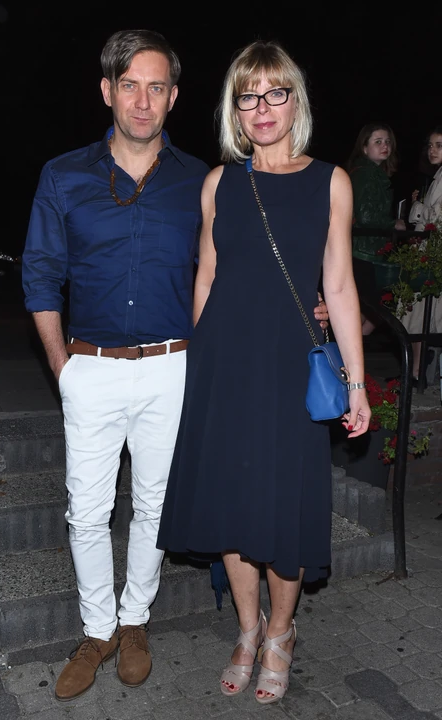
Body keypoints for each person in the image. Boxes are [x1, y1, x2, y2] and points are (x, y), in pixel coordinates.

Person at [21, 29, 329, 702]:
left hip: (173, 369)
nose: (142, 100)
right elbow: (40, 275)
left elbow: (243, 256)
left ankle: (135, 622)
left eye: (156, 87)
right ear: (107, 91)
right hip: (90, 367)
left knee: (154, 507)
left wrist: (308, 303)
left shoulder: (201, 180)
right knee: (86, 511)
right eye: (130, 85)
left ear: (174, 97)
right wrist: (61, 367)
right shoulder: (63, 175)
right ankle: (97, 630)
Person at [156, 39, 371, 706]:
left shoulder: (331, 181)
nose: (263, 106)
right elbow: (207, 275)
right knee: (230, 502)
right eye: (248, 96)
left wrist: (357, 383)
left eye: (276, 92)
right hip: (224, 364)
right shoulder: (219, 183)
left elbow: (339, 285)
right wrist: (196, 365)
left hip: (288, 368)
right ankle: (247, 631)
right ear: (236, 110)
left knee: (286, 508)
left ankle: (282, 633)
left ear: (295, 101)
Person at [346, 122, 406, 335]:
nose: (385, 146)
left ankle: (353, 354)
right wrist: (394, 223)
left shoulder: (369, 173)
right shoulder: (367, 174)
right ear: (364, 148)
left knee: (365, 314)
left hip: (363, 251)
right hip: (364, 252)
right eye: (378, 142)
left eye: (388, 142)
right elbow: (366, 217)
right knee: (374, 309)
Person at [402, 125, 442, 383]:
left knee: (420, 310)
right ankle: (417, 371)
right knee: (417, 311)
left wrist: (418, 207)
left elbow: (437, 218)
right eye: (430, 145)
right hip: (427, 253)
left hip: (432, 255)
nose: (432, 150)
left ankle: (418, 372)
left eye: (439, 145)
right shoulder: (437, 177)